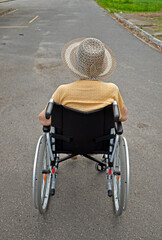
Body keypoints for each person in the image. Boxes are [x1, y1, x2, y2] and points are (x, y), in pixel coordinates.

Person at [38, 38, 128, 126]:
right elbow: (123, 116)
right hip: (102, 140)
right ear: (102, 66)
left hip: (67, 140)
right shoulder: (112, 90)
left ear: (76, 65)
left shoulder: (63, 91)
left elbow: (44, 119)